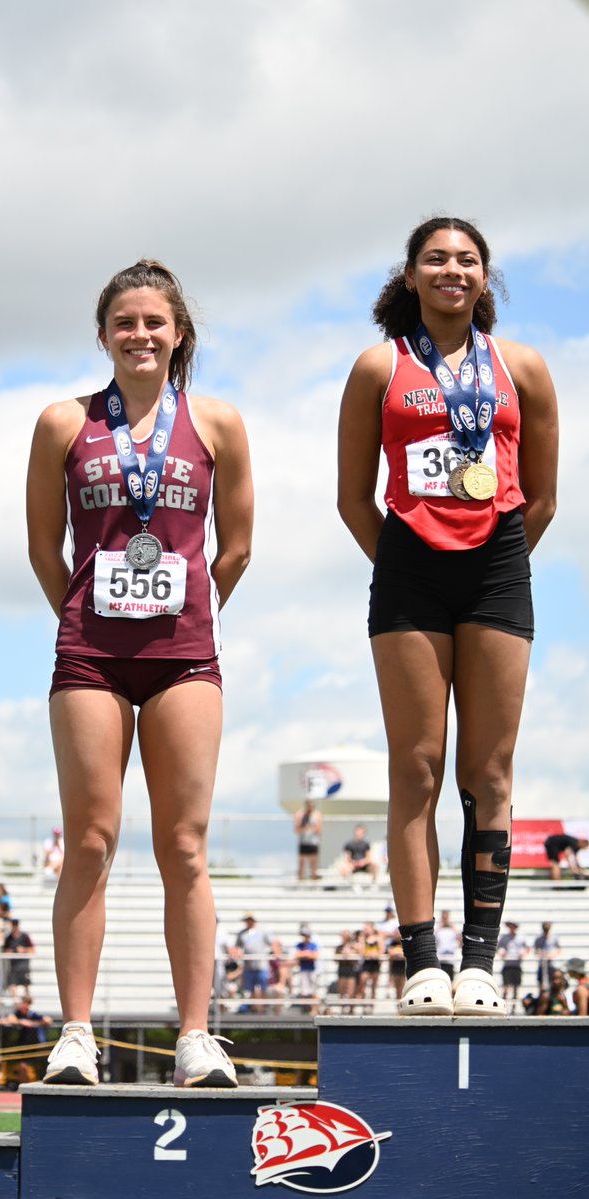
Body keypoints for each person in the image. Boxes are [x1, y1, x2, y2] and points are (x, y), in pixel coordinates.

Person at [26, 260, 252, 1088]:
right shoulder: (62, 423)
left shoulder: (218, 422)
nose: (141, 334)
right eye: (125, 322)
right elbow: (43, 549)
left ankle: (196, 1034)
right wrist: (87, 614)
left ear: (179, 332)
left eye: (155, 322)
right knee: (89, 838)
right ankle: (76, 1033)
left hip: (185, 655)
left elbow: (236, 547)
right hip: (90, 654)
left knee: (184, 845)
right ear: (103, 335)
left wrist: (186, 608)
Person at [338, 217, 558, 1019]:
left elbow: (543, 497)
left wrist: (483, 556)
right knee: (417, 767)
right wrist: (409, 563)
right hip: (407, 577)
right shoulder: (378, 367)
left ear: (485, 278)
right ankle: (423, 960)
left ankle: (479, 962)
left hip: (497, 568)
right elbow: (350, 497)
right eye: (437, 259)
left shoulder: (523, 367)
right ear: (411, 276)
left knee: (489, 773)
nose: (452, 271)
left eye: (467, 260)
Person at [497, 920, 527, 1011]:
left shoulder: (521, 938)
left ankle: (513, 1009)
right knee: (506, 988)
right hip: (507, 965)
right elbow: (498, 948)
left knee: (515, 988)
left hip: (516, 965)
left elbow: (527, 949)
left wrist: (523, 953)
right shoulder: (504, 938)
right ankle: (503, 1007)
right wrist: (501, 952)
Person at [2, 918, 35, 998]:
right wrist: (10, 952)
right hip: (13, 967)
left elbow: (32, 950)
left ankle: (26, 1002)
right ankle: (15, 1004)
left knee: (26, 985)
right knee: (12, 985)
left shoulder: (25, 936)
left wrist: (23, 950)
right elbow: (4, 951)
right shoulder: (8, 938)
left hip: (24, 966)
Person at [293, 925, 319, 1014]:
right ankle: (304, 1010)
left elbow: (315, 956)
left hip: (311, 970)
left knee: (313, 991)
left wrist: (304, 954)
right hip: (303, 970)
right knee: (304, 992)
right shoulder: (299, 945)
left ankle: (314, 1010)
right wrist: (307, 954)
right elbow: (296, 955)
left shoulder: (313, 945)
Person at [294, 800, 322, 880]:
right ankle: (300, 881)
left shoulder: (317, 815)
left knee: (313, 863)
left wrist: (312, 827)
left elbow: (319, 830)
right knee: (301, 862)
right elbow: (296, 830)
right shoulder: (299, 815)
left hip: (313, 842)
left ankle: (314, 882)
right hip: (303, 842)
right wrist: (304, 827)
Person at [532, 921, 560, 987]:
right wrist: (540, 954)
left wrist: (552, 954)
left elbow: (558, 949)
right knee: (540, 980)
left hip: (551, 963)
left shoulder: (554, 938)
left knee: (552, 979)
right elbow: (535, 950)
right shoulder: (538, 939)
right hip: (542, 963)